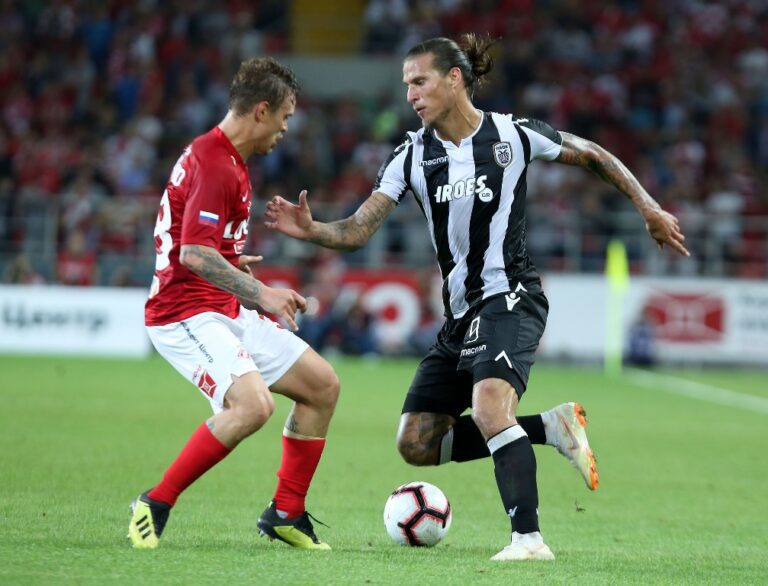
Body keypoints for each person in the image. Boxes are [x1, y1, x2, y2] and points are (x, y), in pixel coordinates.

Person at [264, 35, 690, 561]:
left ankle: (528, 541)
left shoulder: (513, 134)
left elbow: (591, 154)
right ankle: (550, 427)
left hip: (512, 296)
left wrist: (648, 207)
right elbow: (357, 229)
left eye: (419, 82)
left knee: (490, 408)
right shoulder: (411, 155)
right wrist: (313, 231)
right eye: (406, 85)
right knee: (417, 442)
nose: (411, 95)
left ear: (454, 79)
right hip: (460, 316)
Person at [128, 57, 340, 551]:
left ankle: (286, 513)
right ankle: (154, 503)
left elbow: (200, 244)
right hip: (182, 313)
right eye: (285, 117)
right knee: (252, 406)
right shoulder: (214, 162)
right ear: (261, 111)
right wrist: (263, 293)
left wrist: (231, 262)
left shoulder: (227, 160)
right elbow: (193, 254)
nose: (286, 129)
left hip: (219, 306)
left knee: (322, 386)